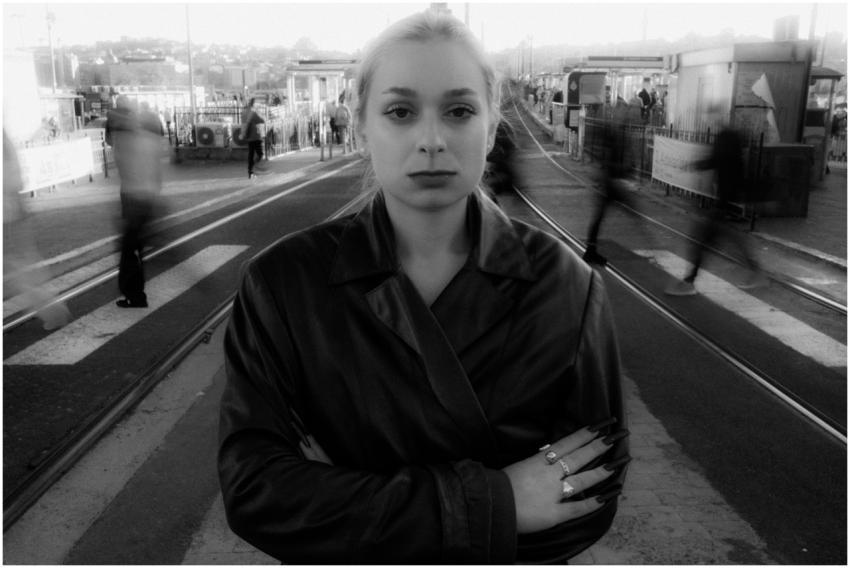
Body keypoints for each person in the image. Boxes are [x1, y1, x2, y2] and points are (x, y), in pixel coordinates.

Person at [219, 10, 628, 564]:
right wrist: (502, 502)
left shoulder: (566, 287)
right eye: (400, 112)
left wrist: (339, 498)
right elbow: (257, 493)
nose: (431, 140)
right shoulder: (283, 285)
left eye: (459, 111)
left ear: (492, 127)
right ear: (361, 126)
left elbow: (588, 501)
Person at [665, 124, 766, 296]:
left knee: (702, 242)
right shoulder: (733, 159)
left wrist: (693, 165)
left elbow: (712, 163)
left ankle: (689, 282)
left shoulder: (726, 159)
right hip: (724, 209)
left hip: (721, 209)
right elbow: (713, 164)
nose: (715, 145)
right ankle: (757, 272)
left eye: (718, 142)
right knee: (728, 242)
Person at [3, 130, 72, 330]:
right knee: (20, 269)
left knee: (17, 272)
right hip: (14, 212)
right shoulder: (7, 144)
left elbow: (9, 182)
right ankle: (53, 309)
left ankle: (54, 311)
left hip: (8, 215)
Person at [106, 95, 162, 308]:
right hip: (147, 198)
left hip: (134, 200)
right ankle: (136, 293)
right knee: (134, 247)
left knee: (129, 249)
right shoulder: (148, 139)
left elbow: (124, 168)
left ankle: (135, 295)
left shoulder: (125, 141)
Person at [582, 110, 635, 266]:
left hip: (610, 181)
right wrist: (624, 169)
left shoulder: (617, 133)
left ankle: (590, 250)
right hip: (609, 182)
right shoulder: (612, 133)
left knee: (600, 216)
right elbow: (608, 158)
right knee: (632, 213)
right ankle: (590, 251)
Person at [241, 98, 267, 179]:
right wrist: (260, 114)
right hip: (255, 136)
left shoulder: (244, 112)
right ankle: (255, 167)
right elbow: (262, 120)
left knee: (251, 154)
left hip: (248, 136)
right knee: (260, 154)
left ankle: (250, 171)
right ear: (253, 104)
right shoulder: (253, 113)